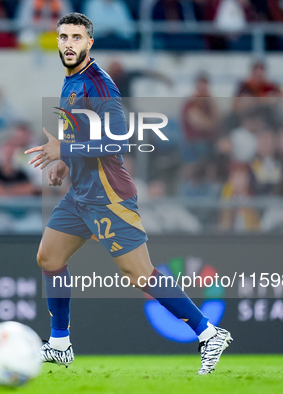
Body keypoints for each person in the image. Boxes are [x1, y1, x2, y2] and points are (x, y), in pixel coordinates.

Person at [24, 13, 232, 375]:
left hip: (108, 195)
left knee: (139, 275)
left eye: (76, 37)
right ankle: (60, 345)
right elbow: (77, 134)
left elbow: (118, 138)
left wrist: (64, 152)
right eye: (63, 36)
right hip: (81, 194)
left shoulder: (99, 85)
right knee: (49, 258)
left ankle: (209, 333)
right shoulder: (70, 81)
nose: (69, 43)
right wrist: (63, 163)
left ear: (90, 43)